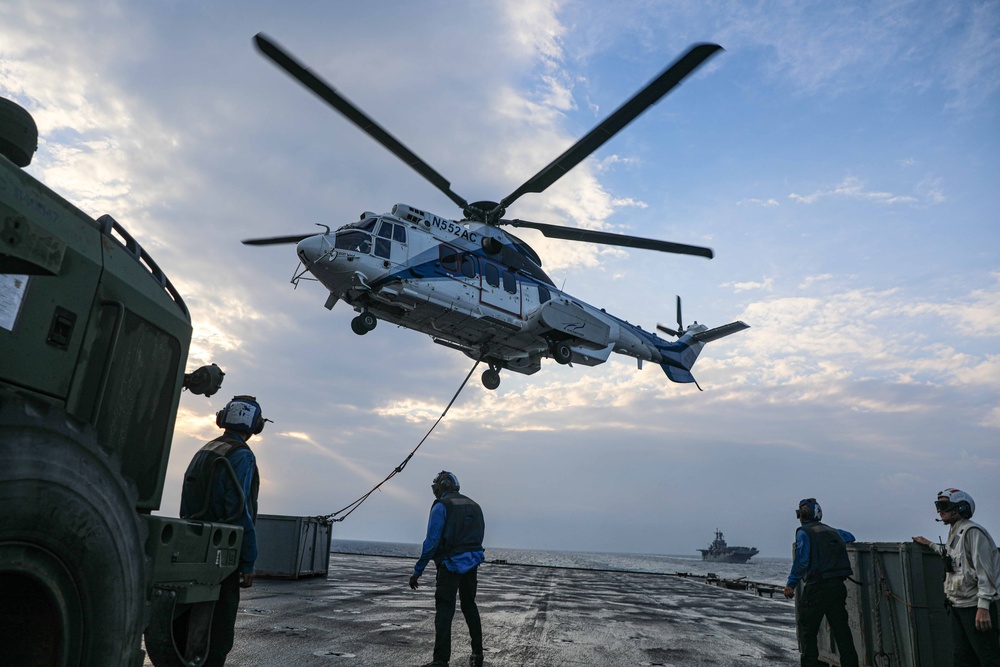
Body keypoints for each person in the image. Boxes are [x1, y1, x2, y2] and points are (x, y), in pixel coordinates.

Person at [180, 395, 266, 667]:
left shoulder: (207, 448)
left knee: (186, 625)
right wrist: (248, 560)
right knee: (218, 631)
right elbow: (239, 509)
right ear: (256, 426)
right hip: (222, 553)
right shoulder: (242, 456)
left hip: (193, 546)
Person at [913, 488, 1000, 666]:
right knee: (963, 657)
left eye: (944, 506)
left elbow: (986, 571)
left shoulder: (973, 532)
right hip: (957, 605)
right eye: (938, 506)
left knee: (988, 656)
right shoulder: (956, 532)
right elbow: (951, 557)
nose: (940, 511)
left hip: (974, 608)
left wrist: (983, 607)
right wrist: (929, 544)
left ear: (960, 508)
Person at [409, 471, 486, 667]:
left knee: (444, 610)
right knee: (470, 606)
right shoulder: (474, 505)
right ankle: (477, 653)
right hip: (471, 565)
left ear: (442, 485)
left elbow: (432, 541)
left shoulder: (442, 506)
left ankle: (441, 660)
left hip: (449, 565)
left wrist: (418, 570)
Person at [783, 498, 859, 667]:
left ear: (802, 514)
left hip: (816, 590)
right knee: (842, 632)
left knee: (808, 633)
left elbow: (801, 562)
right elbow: (851, 537)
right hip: (837, 588)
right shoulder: (833, 531)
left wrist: (791, 584)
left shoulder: (804, 532)